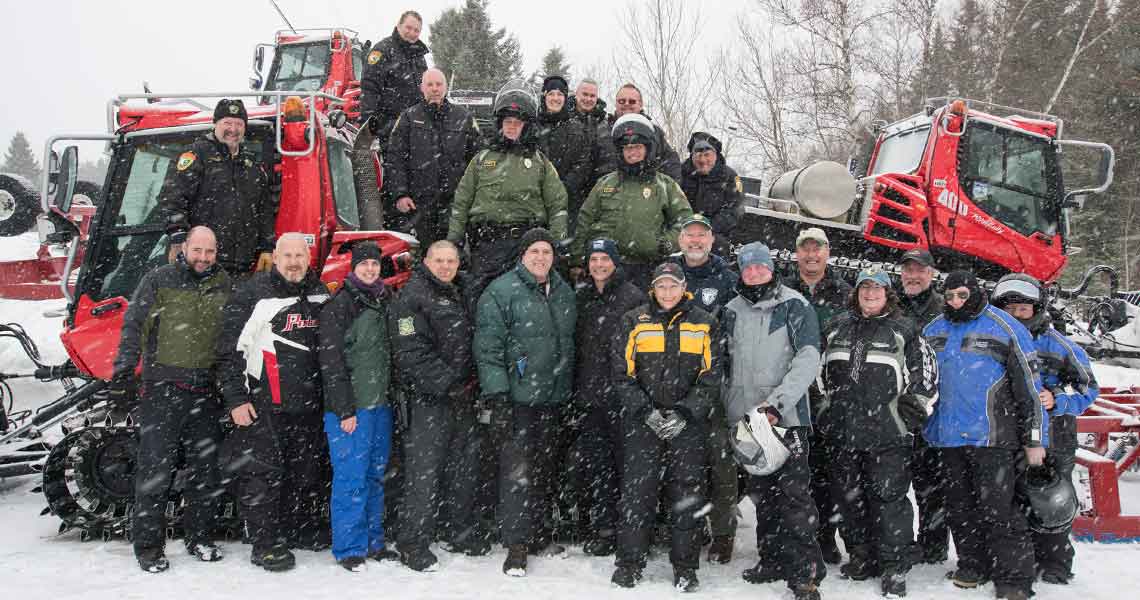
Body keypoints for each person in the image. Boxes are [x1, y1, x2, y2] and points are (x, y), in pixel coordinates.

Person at [111, 226, 231, 573]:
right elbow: (134, 326)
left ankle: (200, 537)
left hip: (206, 392)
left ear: (216, 252)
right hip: (163, 390)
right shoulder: (158, 280)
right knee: (155, 471)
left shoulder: (224, 285)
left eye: (209, 252)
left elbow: (231, 335)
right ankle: (148, 546)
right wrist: (122, 372)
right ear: (185, 249)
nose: (203, 258)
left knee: (205, 471)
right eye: (197, 251)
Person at [923, 270, 1046, 600]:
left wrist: (1035, 438)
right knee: (959, 508)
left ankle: (1013, 577)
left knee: (1000, 510)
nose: (955, 302)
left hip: (991, 437)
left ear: (976, 292)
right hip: (947, 438)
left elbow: (1030, 390)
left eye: (962, 295)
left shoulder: (1005, 327)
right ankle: (972, 564)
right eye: (949, 297)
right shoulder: (933, 330)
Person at [819, 266, 938, 598]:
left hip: (887, 434)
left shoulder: (905, 330)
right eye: (864, 288)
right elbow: (818, 375)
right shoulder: (836, 327)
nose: (870, 294)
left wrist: (907, 417)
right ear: (856, 293)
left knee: (889, 501)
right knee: (849, 498)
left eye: (877, 289)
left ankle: (894, 565)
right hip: (843, 432)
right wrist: (826, 412)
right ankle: (861, 556)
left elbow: (925, 379)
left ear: (888, 294)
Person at [216, 233, 331, 572]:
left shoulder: (320, 292)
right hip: (265, 402)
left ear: (308, 258)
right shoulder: (252, 294)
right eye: (287, 255)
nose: (294, 262)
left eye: (300, 255)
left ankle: (292, 530)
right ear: (275, 257)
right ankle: (264, 543)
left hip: (309, 404)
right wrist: (236, 399)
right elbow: (229, 350)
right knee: (263, 475)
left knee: (304, 471)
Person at [609, 262, 720, 592]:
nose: (667, 292)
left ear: (683, 287)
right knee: (637, 495)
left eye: (673, 285)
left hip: (687, 426)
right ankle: (629, 563)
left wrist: (686, 412)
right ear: (652, 289)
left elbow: (712, 376)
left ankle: (685, 567)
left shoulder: (704, 322)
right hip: (644, 423)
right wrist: (645, 411)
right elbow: (622, 374)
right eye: (661, 286)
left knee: (686, 495)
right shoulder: (634, 321)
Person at [723, 242, 825, 600]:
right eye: (747, 268)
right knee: (762, 494)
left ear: (771, 268)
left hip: (785, 418)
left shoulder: (794, 305)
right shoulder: (731, 309)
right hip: (746, 422)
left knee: (794, 497)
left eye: (760, 267)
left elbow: (808, 358)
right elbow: (725, 366)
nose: (753, 273)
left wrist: (777, 403)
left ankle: (805, 573)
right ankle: (771, 559)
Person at [474, 228, 576, 577]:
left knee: (545, 470)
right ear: (522, 255)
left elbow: (567, 343)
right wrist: (498, 395)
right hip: (517, 398)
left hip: (552, 397)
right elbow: (488, 348)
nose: (540, 258)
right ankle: (516, 545)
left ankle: (539, 533)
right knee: (517, 472)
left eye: (546, 251)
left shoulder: (563, 291)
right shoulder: (501, 291)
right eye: (534, 251)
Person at [991, 273, 1097, 586]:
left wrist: (1059, 399)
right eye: (1009, 309)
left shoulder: (1058, 344)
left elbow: (1088, 387)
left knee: (1053, 499)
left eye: (1023, 309)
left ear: (1036, 309)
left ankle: (1057, 562)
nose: (1016, 315)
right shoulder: (998, 342)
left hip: (1055, 434)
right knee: (1014, 499)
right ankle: (1021, 557)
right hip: (1011, 434)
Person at [390, 240, 486, 572]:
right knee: (423, 474)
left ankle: (457, 531)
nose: (445, 266)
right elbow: (411, 352)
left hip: (464, 397)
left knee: (464, 466)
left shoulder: (463, 293)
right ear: (426, 262)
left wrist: (471, 382)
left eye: (451, 261)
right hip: (428, 400)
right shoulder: (412, 297)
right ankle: (413, 542)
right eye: (439, 260)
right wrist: (448, 383)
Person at [316, 240, 397, 572]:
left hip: (381, 404)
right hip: (352, 409)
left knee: (376, 476)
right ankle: (349, 546)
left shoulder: (386, 299)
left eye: (375, 264)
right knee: (351, 478)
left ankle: (373, 541)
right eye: (364, 264)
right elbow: (331, 361)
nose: (369, 269)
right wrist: (343, 409)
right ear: (353, 267)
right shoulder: (341, 305)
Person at [447, 81, 569, 298]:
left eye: (517, 122)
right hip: (486, 245)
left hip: (525, 244)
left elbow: (557, 204)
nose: (512, 126)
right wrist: (454, 240)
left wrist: (556, 243)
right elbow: (461, 203)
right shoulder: (481, 160)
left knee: (527, 301)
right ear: (500, 123)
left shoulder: (539, 162)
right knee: (482, 299)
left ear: (526, 126)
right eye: (508, 121)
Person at [667, 213, 739, 563]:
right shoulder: (666, 274)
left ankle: (723, 532)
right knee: (679, 464)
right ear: (679, 240)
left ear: (711, 241)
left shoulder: (727, 279)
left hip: (714, 385)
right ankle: (679, 527)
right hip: (671, 385)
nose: (695, 241)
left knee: (720, 463)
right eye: (689, 235)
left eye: (702, 236)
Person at [572, 238, 645, 557]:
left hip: (624, 398)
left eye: (605, 258)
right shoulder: (582, 296)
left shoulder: (632, 297)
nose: (599, 264)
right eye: (594, 259)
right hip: (590, 398)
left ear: (616, 262)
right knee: (598, 467)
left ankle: (631, 531)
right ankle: (604, 528)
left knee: (628, 467)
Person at [786, 227, 852, 566]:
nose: (811, 255)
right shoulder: (783, 290)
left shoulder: (844, 293)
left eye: (818, 249)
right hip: (788, 393)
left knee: (826, 472)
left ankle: (825, 535)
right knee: (790, 472)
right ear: (796, 252)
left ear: (828, 253)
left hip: (830, 396)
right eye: (805, 249)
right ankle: (788, 538)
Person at [573, 112, 693, 288]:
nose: (632, 152)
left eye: (637, 147)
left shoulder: (665, 185)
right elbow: (585, 219)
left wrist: (666, 243)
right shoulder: (605, 184)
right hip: (606, 268)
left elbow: (685, 222)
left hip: (647, 268)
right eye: (627, 148)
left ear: (648, 148)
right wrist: (577, 260)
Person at [159, 99, 276, 277]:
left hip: (243, 265)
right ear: (215, 124)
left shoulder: (251, 164)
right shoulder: (196, 155)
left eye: (239, 123)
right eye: (227, 123)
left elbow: (263, 210)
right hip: (202, 262)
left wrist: (267, 247)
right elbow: (172, 199)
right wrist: (178, 238)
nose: (233, 129)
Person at [384, 67, 481, 245]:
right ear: (422, 88)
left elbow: (477, 161)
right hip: (418, 206)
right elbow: (395, 160)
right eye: (430, 84)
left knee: (452, 256)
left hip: (455, 204)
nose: (434, 88)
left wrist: (474, 198)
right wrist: (400, 194)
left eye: (438, 84)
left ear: (445, 87)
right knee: (422, 257)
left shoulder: (464, 117)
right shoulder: (409, 118)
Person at [896, 248, 948, 565]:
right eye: (908, 270)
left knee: (931, 483)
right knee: (894, 480)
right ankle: (898, 540)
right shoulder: (892, 304)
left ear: (931, 274)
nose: (913, 276)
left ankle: (933, 543)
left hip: (933, 409)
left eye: (920, 270)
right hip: (893, 407)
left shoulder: (944, 309)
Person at [536, 75, 614, 235]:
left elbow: (584, 163)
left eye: (592, 96)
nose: (588, 99)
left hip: (579, 194)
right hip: (541, 196)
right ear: (575, 95)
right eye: (584, 94)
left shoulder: (603, 123)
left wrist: (565, 188)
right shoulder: (538, 125)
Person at [361, 10, 429, 139]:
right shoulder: (382, 51)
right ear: (399, 25)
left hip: (415, 127)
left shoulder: (419, 56)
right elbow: (369, 88)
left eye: (417, 30)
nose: (412, 33)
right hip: (389, 128)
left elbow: (425, 88)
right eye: (408, 28)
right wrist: (371, 128)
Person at [680, 132, 743, 256]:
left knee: (718, 247)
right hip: (682, 230)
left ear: (716, 155)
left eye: (707, 155)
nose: (703, 160)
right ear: (692, 156)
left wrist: (707, 228)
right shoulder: (681, 173)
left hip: (714, 234)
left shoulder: (729, 176)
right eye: (698, 155)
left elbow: (735, 210)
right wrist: (688, 227)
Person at [606, 83, 682, 181]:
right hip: (609, 191)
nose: (626, 104)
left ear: (640, 104)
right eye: (622, 101)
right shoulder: (603, 130)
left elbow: (671, 164)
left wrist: (668, 191)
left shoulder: (653, 132)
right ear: (616, 103)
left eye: (632, 101)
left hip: (647, 191)